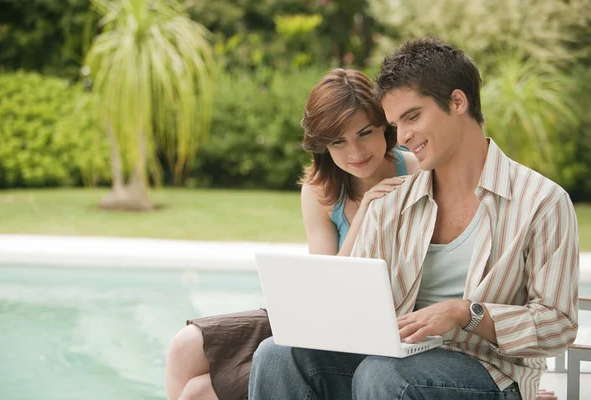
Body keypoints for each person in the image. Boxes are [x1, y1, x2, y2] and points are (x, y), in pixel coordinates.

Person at [248, 37, 579, 400]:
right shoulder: (392, 202)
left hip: (490, 373)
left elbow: (558, 324)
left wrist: (464, 313)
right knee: (278, 355)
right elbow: (348, 306)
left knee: (385, 375)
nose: (402, 136)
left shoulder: (541, 202)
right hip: (396, 361)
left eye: (412, 116)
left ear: (457, 102)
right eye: (395, 123)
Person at [164, 68, 419, 400]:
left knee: (198, 392)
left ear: (385, 125)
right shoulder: (320, 190)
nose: (355, 152)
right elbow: (327, 287)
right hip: (322, 318)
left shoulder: (415, 171)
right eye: (338, 141)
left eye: (365, 132)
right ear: (323, 145)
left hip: (371, 329)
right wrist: (364, 215)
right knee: (184, 346)